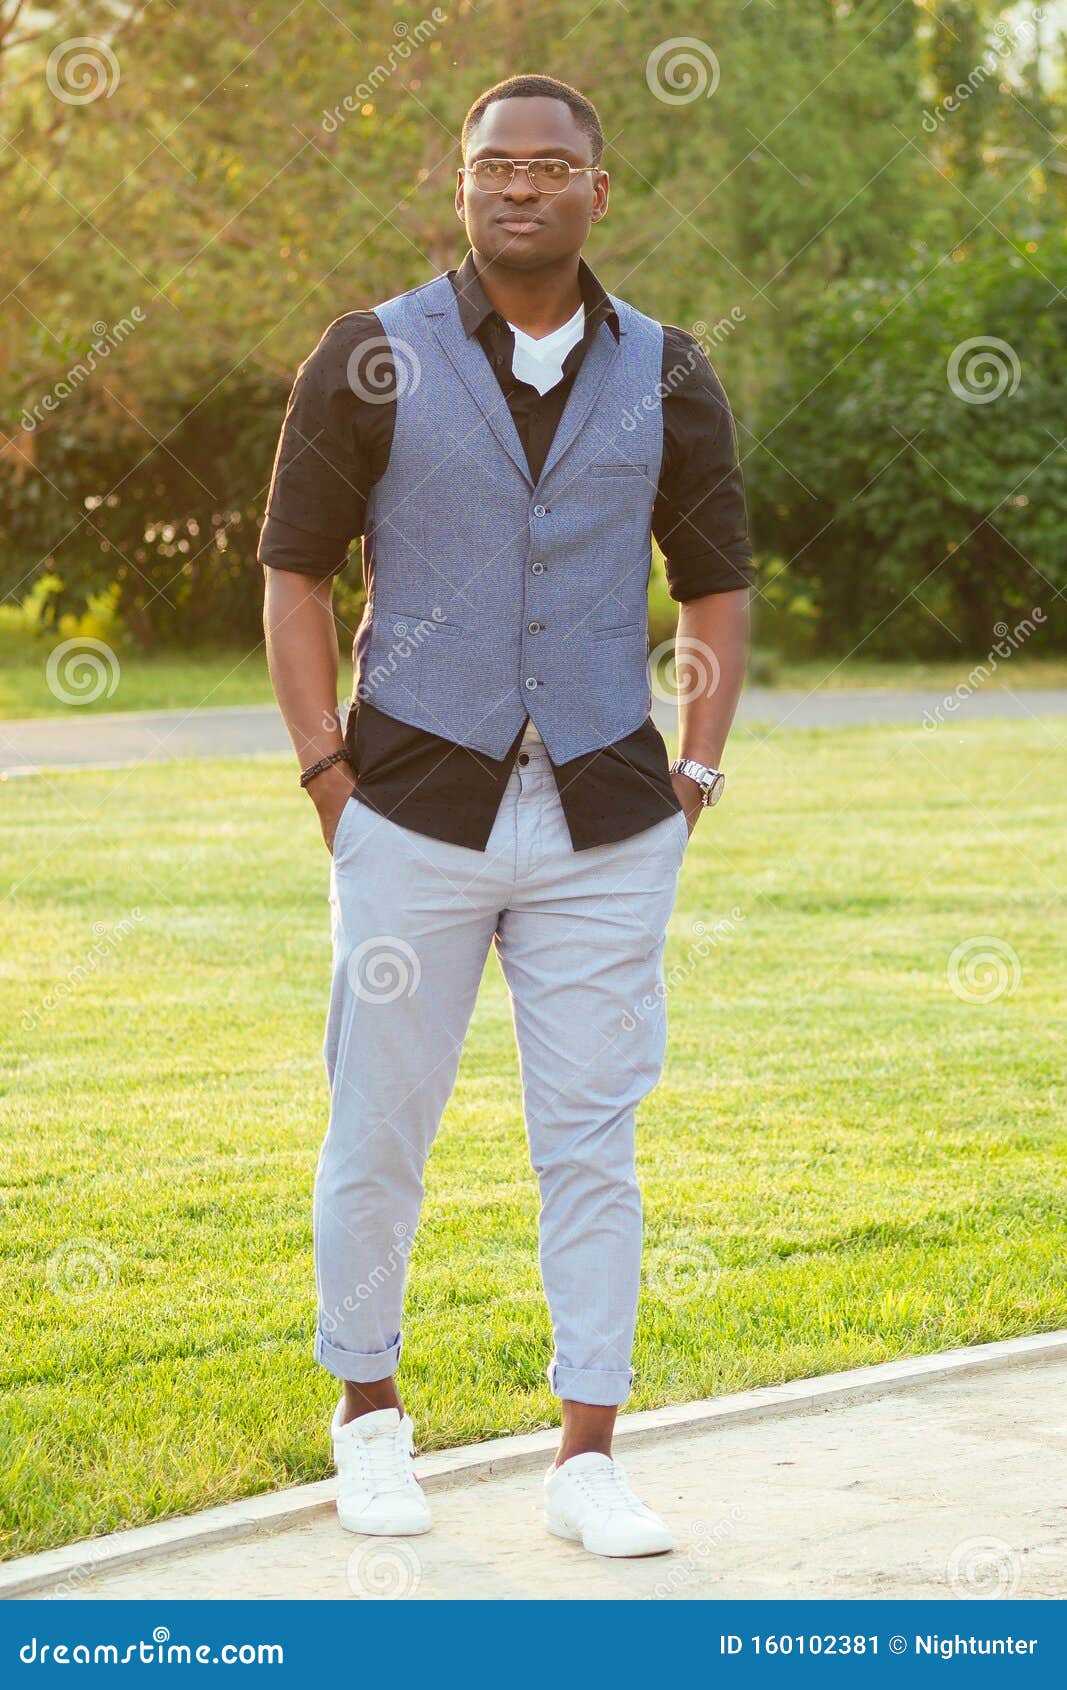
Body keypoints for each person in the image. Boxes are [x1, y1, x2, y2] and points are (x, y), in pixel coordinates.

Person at [259, 73, 752, 1559]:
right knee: (380, 1123)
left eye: (551, 167)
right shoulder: (371, 355)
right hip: (408, 809)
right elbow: (292, 571)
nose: (519, 187)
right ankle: (369, 1419)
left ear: (600, 192)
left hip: (609, 813)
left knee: (594, 1140)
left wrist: (697, 767)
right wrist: (325, 776)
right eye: (494, 166)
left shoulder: (668, 371)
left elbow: (715, 579)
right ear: (458, 186)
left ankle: (588, 1454)